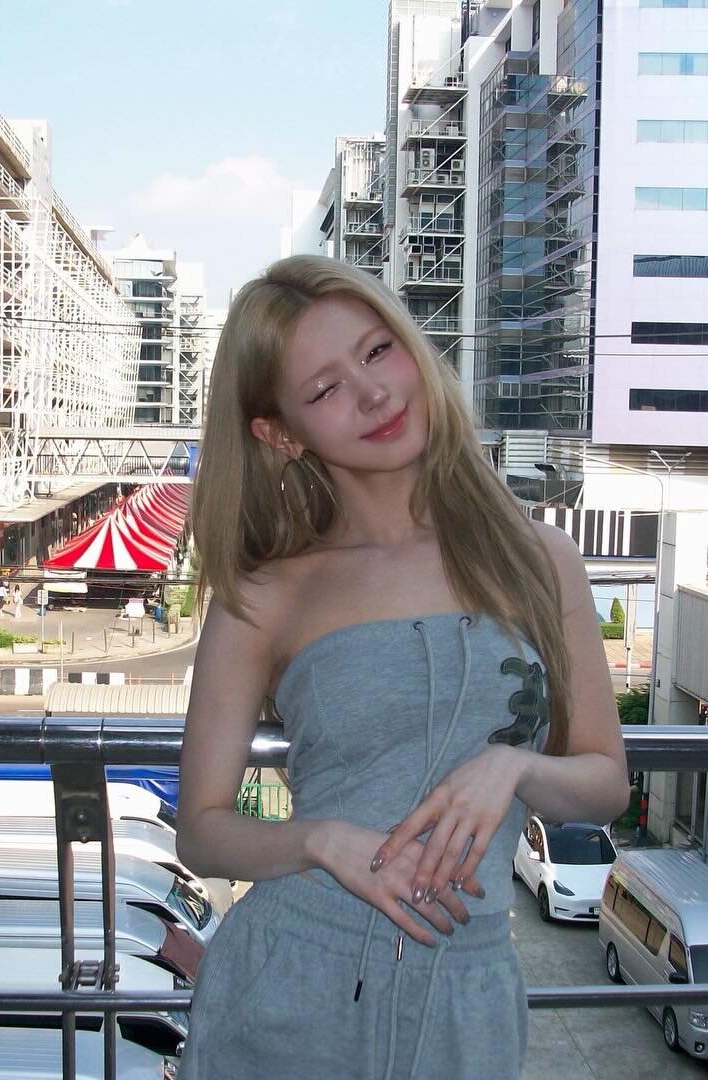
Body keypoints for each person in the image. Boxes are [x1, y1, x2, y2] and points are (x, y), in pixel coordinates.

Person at [175, 256, 629, 1078]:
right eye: (325, 389)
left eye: (378, 351)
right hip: (289, 986)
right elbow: (202, 830)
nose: (374, 394)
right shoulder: (268, 593)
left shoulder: (540, 558)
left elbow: (604, 782)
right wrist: (323, 842)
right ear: (281, 434)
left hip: (469, 995)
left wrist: (513, 767)